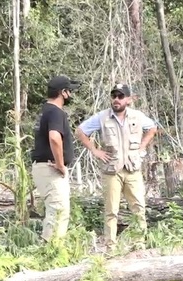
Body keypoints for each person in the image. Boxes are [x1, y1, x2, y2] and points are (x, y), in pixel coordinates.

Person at [75, 83, 158, 250]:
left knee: (138, 207)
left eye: (120, 96)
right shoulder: (102, 117)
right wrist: (95, 150)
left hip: (132, 169)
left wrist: (142, 147)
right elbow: (80, 131)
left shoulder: (137, 116)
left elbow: (153, 128)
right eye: (114, 96)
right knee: (111, 210)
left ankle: (139, 243)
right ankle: (110, 246)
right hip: (111, 170)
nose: (116, 100)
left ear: (128, 99)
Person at [31, 75, 81, 242]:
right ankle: (52, 252)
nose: (71, 95)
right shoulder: (55, 112)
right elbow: (54, 137)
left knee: (55, 211)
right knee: (58, 211)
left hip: (43, 168)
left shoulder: (46, 110)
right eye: (70, 91)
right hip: (51, 169)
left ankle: (51, 249)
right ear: (63, 92)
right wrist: (60, 164)